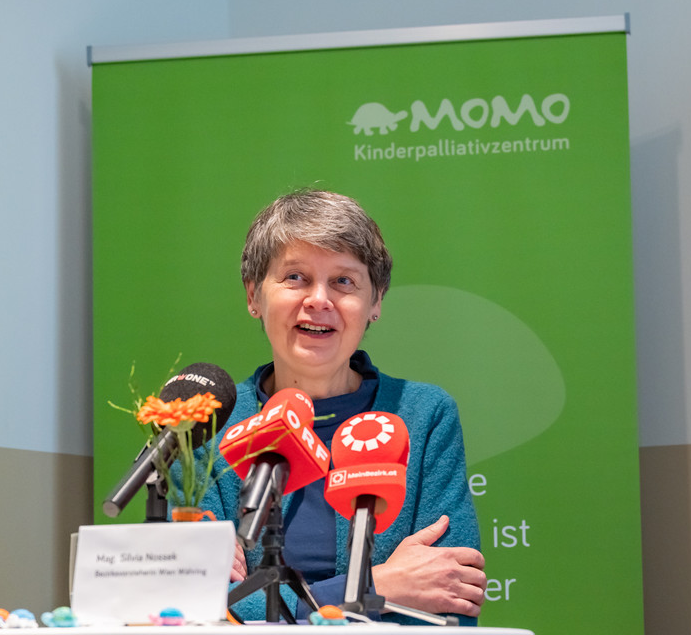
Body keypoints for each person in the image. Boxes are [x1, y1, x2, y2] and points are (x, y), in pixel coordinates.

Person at [180, 189, 486, 624]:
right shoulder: (206, 425)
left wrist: (265, 605)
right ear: (253, 296)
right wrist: (374, 588)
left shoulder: (425, 415)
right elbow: (185, 608)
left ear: (375, 301)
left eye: (344, 281)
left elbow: (451, 594)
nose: (319, 300)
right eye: (295, 277)